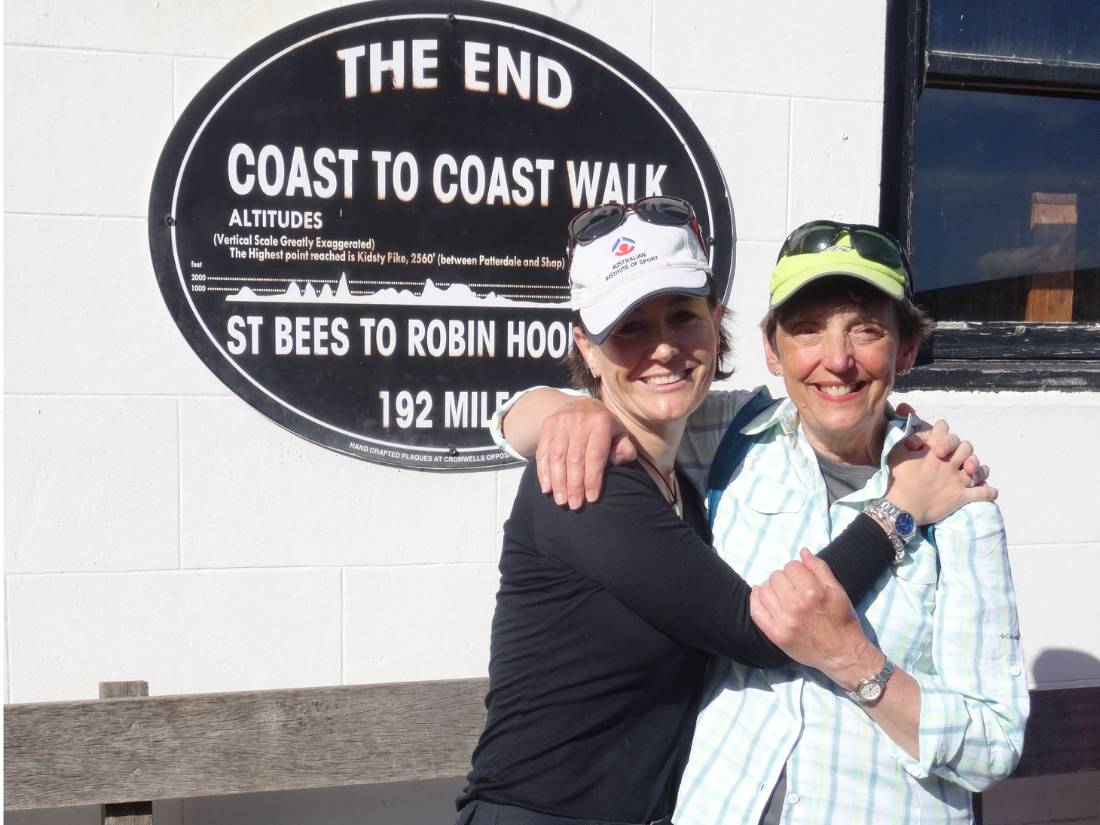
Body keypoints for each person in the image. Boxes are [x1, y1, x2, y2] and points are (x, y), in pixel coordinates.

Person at [459, 202, 995, 825]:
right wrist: (897, 512)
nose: (662, 348)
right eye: (628, 328)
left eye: (681, 317)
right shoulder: (588, 476)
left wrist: (909, 441)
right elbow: (755, 632)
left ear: (716, 324)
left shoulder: (709, 444)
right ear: (586, 345)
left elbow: (832, 402)